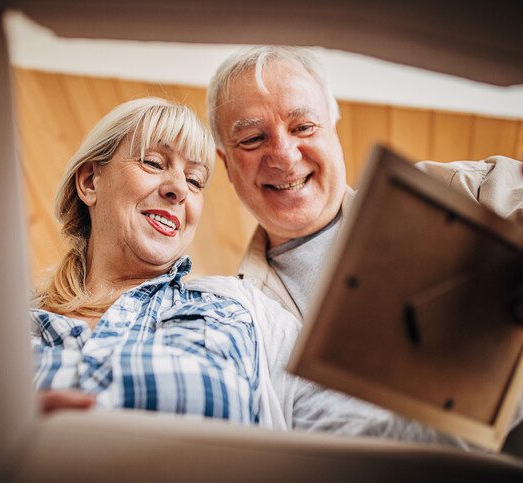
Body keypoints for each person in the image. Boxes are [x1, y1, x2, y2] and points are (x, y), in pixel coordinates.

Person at [206, 46, 523, 445]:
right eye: (253, 138)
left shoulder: (459, 192)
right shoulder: (239, 317)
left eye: (303, 126)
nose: (284, 156)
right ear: (227, 166)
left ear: (334, 131)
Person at [31, 97, 261, 424]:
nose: (178, 188)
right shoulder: (5, 327)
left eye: (195, 180)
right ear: (89, 182)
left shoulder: (226, 314)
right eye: (153, 163)